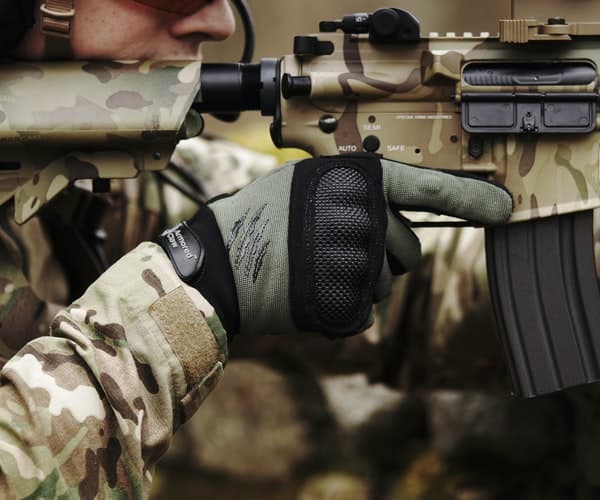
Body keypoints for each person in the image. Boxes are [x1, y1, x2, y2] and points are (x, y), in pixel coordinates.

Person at [0, 0, 515, 497]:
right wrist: (199, 282)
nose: (220, 22)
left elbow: (422, 289)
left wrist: (587, 238)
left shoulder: (74, 178)